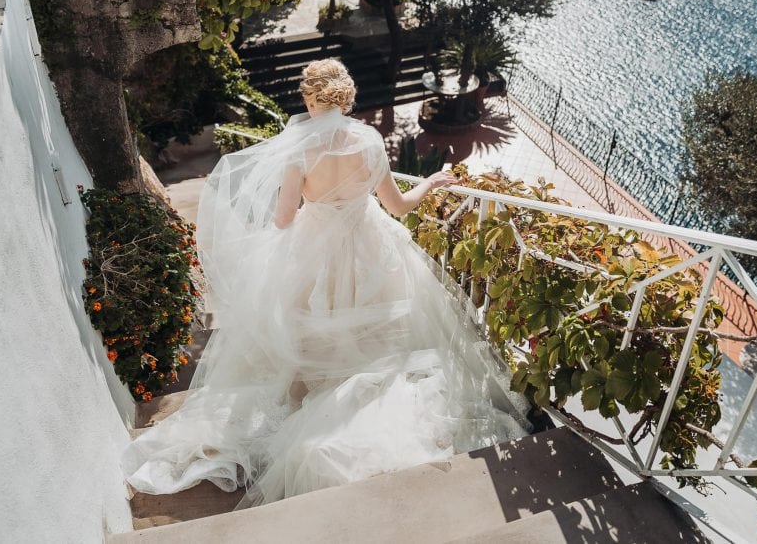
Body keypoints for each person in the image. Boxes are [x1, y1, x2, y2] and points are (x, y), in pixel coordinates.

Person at [122, 59, 530, 509]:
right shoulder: (371, 142)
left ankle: (316, 401)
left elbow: (281, 218)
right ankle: (355, 402)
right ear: (347, 97)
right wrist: (431, 182)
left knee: (310, 324)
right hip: (371, 250)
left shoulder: (300, 150)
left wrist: (311, 216)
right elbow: (398, 207)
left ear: (311, 99)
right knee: (374, 333)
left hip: (313, 249)